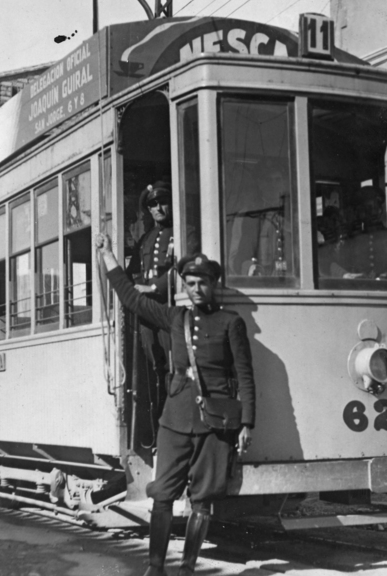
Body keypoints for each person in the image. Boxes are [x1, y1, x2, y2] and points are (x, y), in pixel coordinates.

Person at [96, 233, 254, 576]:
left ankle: (186, 568)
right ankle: (155, 567)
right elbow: (132, 300)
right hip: (176, 419)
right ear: (185, 285)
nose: (198, 289)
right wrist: (109, 257)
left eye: (204, 282)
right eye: (192, 283)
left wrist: (247, 424)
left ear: (215, 284)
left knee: (202, 499)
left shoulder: (231, 323)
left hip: (216, 423)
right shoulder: (176, 318)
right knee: (163, 494)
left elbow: (245, 376)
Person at [125, 182, 175, 430]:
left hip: (167, 308)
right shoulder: (146, 238)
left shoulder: (181, 233)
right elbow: (133, 271)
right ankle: (156, 427)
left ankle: (169, 426)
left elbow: (182, 268)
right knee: (153, 368)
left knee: (170, 368)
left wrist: (154, 288)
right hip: (146, 314)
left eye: (162, 202)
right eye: (152, 204)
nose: (158, 208)